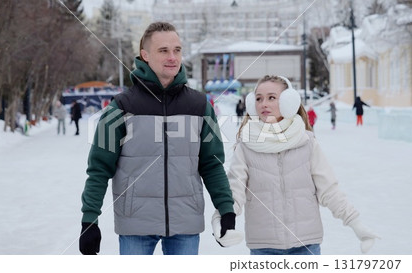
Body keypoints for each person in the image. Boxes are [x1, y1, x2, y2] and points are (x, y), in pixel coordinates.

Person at [79, 22, 240, 255]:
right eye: (163, 50)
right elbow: (99, 168)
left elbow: (212, 164)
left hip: (185, 223)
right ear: (145, 55)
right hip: (135, 225)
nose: (172, 57)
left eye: (177, 50)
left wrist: (226, 210)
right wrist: (89, 220)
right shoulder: (120, 107)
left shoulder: (200, 106)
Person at [224, 75, 378, 255]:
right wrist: (223, 220)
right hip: (264, 247)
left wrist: (356, 224)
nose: (263, 103)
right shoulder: (246, 147)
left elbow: (329, 190)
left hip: (306, 246)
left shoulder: (307, 143)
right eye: (258, 98)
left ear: (289, 102)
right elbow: (234, 192)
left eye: (271, 97)